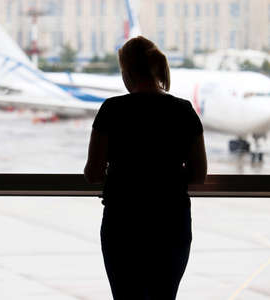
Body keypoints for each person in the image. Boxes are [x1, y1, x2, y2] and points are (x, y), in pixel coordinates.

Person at [84, 36, 207, 300]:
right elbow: (199, 175)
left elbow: (92, 172)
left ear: (127, 71)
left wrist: (124, 173)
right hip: (171, 221)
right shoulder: (183, 111)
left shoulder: (112, 110)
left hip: (123, 222)